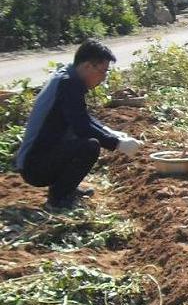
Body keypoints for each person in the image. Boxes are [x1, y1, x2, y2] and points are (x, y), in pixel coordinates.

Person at [15, 40, 143, 211]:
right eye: (103, 71)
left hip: (38, 159)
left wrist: (111, 132)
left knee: (85, 140)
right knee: (89, 146)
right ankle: (57, 200)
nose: (104, 77)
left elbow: (82, 117)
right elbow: (81, 127)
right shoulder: (69, 84)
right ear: (88, 66)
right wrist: (117, 144)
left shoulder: (66, 75)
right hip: (35, 167)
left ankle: (66, 189)